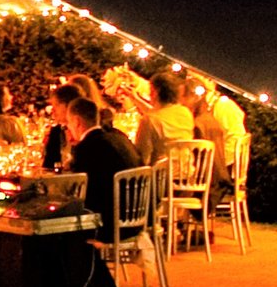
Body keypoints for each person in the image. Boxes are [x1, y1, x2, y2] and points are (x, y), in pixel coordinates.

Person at [61, 95, 138, 230]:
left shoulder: (87, 147)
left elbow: (83, 194)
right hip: (137, 216)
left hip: (110, 224)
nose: (68, 127)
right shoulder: (119, 137)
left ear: (77, 122)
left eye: (68, 122)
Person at [41, 82, 85, 173]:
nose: (52, 110)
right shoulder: (56, 132)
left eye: (56, 105)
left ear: (68, 106)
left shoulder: (86, 131)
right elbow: (48, 166)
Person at [148, 74, 198, 145]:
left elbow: (142, 154)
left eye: (150, 90)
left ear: (155, 92)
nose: (149, 94)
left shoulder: (150, 120)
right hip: (184, 156)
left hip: (162, 156)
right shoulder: (186, 113)